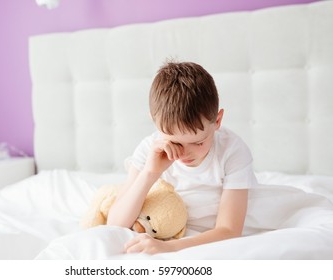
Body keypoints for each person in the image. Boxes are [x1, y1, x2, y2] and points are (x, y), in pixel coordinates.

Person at [107, 61, 258, 254]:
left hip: (207, 236)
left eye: (198, 142)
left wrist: (168, 247)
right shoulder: (149, 149)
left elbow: (229, 230)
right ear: (155, 122)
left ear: (217, 121)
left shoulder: (232, 151)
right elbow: (115, 223)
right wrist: (150, 173)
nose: (185, 154)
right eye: (175, 143)